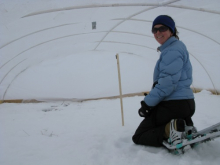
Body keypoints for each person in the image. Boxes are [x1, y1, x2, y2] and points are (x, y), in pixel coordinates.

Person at [132, 15, 196, 147]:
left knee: (139, 136)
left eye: (162, 28)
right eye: (154, 30)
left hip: (174, 104)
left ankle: (170, 129)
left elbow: (167, 84)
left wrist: (147, 104)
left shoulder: (172, 50)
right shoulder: (175, 48)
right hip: (186, 103)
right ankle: (184, 125)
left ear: (171, 30)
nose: (158, 33)